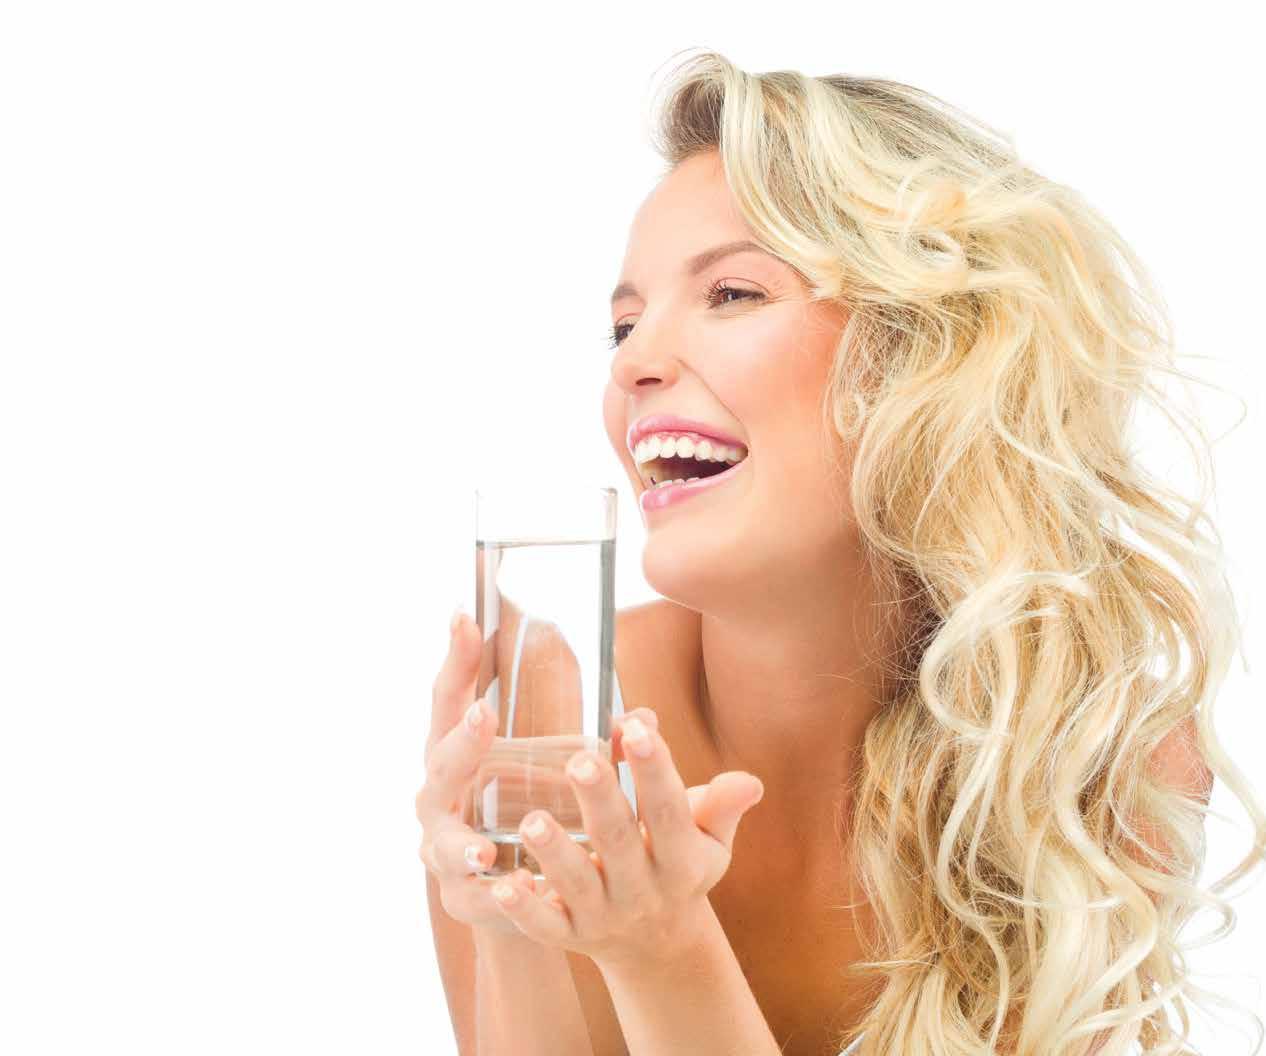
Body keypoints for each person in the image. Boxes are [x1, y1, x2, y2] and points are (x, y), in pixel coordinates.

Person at [417, 49, 1266, 1055]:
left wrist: (662, 948)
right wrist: (510, 929)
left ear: (925, 352)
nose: (635, 362)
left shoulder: (1086, 757)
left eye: (733, 294)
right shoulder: (554, 724)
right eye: (624, 325)